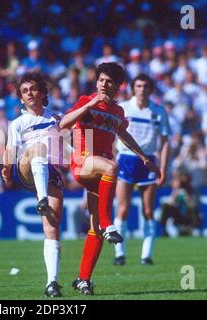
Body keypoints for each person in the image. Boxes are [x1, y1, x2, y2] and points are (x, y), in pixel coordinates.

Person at [60, 63, 161, 295]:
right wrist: (90, 103)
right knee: (112, 166)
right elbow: (64, 124)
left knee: (94, 229)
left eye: (109, 81)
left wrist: (144, 158)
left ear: (117, 86)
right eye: (101, 80)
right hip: (84, 162)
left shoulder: (117, 111)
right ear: (96, 82)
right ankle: (109, 223)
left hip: (102, 173)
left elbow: (124, 134)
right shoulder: (86, 99)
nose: (104, 84)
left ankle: (83, 279)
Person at [1, 72, 64, 298]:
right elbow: (11, 149)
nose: (29, 93)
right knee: (38, 151)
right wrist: (6, 166)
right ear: (20, 98)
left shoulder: (57, 117)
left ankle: (52, 283)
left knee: (52, 228)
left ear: (43, 93)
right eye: (25, 91)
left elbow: (71, 144)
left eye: (33, 89)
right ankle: (42, 198)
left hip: (52, 173)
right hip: (27, 169)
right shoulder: (18, 123)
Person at [113, 74, 170, 266]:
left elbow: (165, 142)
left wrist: (163, 167)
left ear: (151, 89)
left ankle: (146, 255)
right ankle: (119, 253)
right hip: (127, 159)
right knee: (123, 207)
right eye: (138, 86)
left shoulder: (158, 111)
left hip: (149, 161)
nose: (142, 89)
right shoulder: (124, 108)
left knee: (148, 209)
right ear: (133, 88)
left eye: (146, 86)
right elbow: (115, 136)